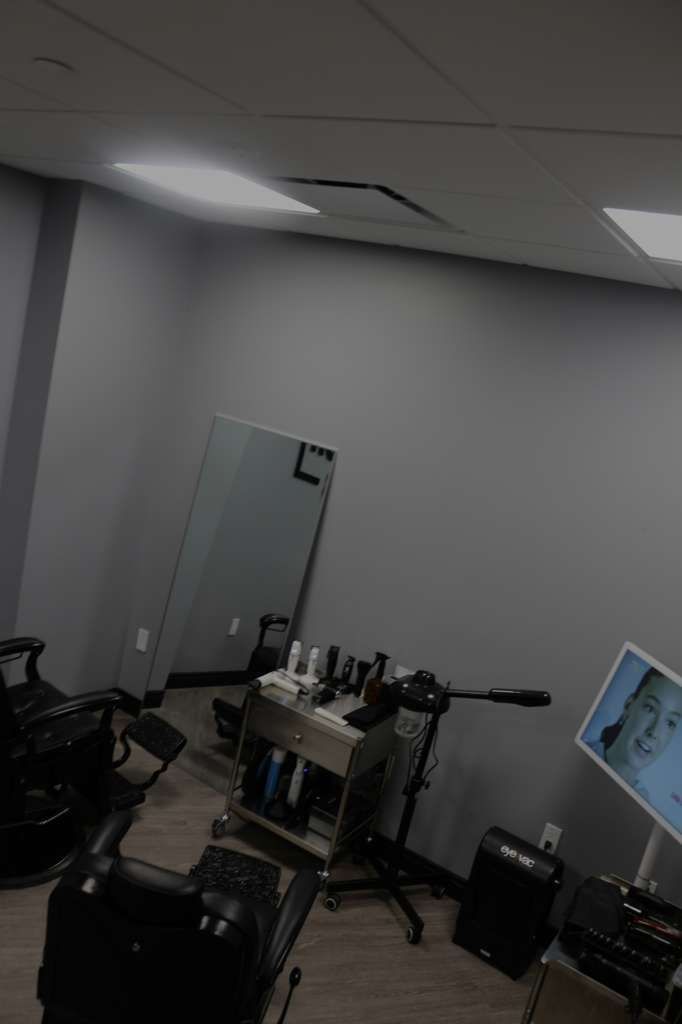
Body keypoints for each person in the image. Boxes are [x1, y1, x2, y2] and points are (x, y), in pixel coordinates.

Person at [587, 667, 682, 799]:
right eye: (650, 708)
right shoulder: (583, 754)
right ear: (629, 705)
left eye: (670, 723)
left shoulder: (644, 803)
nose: (654, 732)